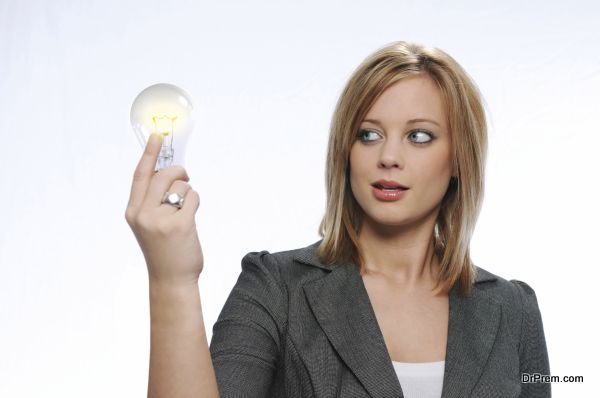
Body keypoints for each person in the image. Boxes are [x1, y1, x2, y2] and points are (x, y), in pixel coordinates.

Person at [125, 41, 551, 398]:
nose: (388, 157)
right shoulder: (276, 289)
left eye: (419, 136)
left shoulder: (514, 310)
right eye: (368, 134)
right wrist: (172, 280)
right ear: (346, 152)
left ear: (460, 158)